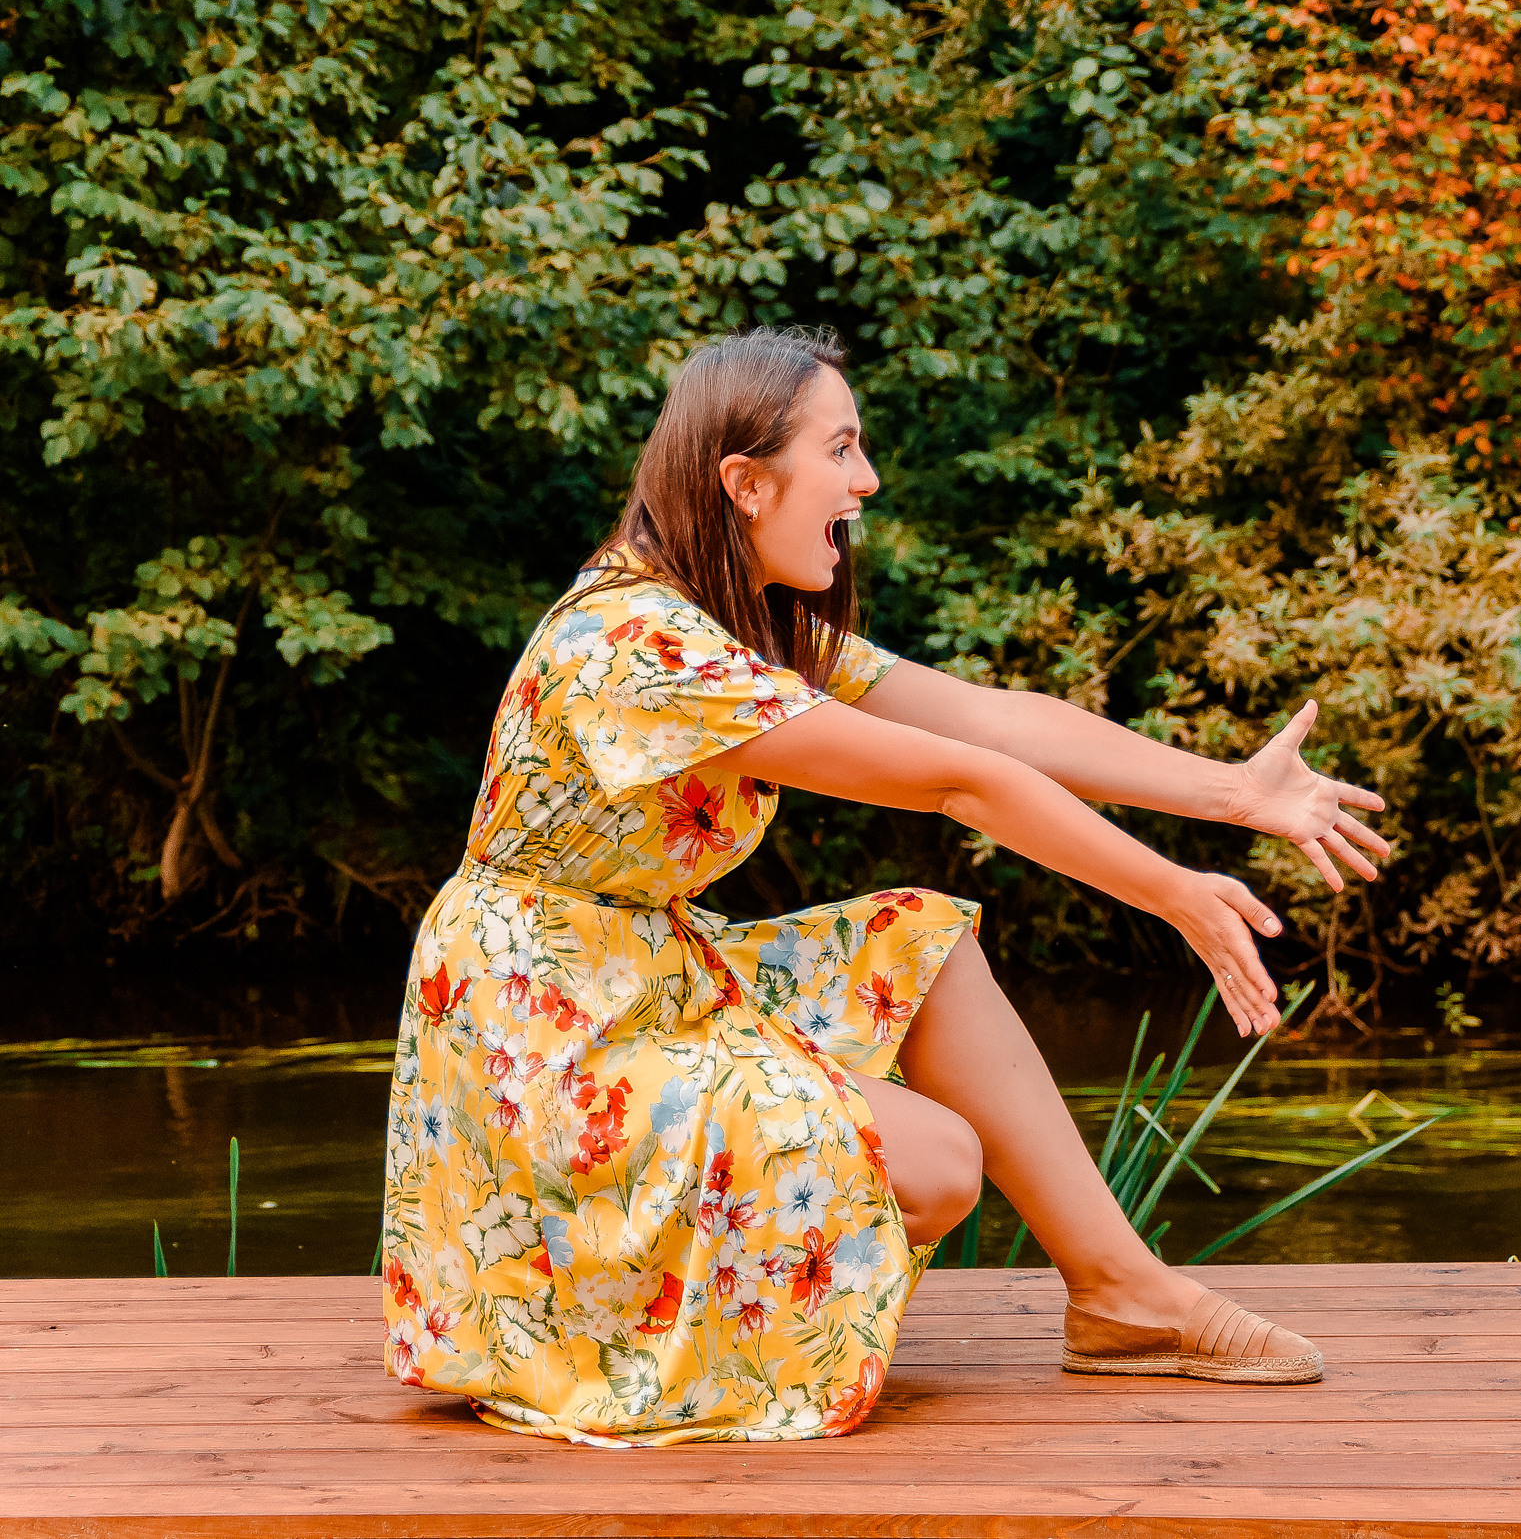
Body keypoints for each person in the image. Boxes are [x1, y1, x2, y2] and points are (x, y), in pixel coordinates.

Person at [379, 327, 1393, 1445]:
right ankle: (585, 1316)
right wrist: (1171, 891)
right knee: (934, 1161)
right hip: (547, 1032)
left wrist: (1237, 795)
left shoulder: (747, 625)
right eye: (843, 449)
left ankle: (1124, 1293)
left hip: (646, 972)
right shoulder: (642, 648)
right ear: (744, 478)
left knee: (925, 937)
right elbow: (964, 781)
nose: (864, 482)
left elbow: (990, 717)